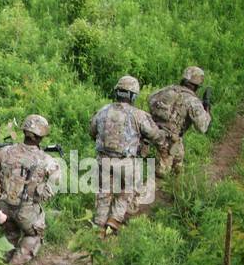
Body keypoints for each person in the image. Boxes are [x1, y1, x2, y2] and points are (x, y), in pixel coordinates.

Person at [89, 75, 164, 235]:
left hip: (103, 160)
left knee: (103, 193)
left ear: (117, 92)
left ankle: (98, 227)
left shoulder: (103, 111)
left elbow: (92, 131)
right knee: (128, 190)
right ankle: (114, 220)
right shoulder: (138, 115)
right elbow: (154, 135)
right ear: (133, 95)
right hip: (127, 163)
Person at [0, 115, 61, 265]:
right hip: (26, 211)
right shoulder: (47, 160)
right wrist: (38, 196)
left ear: (24, 132)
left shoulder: (3, 151)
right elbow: (53, 186)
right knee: (36, 235)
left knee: (10, 233)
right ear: (41, 136)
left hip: (2, 207)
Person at [148, 66, 212, 179]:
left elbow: (150, 100)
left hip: (152, 132)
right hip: (169, 140)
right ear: (196, 86)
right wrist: (206, 108)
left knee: (178, 163)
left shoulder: (167, 90)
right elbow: (203, 127)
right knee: (162, 175)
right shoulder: (193, 101)